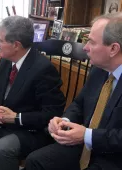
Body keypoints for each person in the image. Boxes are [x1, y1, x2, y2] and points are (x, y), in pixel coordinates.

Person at [0, 16, 66, 170]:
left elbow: (52, 113)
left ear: (16, 45)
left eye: (1, 40)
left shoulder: (43, 70)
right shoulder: (6, 60)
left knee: (2, 148)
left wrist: (16, 118)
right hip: (2, 125)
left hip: (29, 131)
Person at [25, 13, 122, 170]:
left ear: (113, 49)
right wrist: (65, 122)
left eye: (91, 42)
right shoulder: (98, 70)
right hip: (85, 146)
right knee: (36, 161)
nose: (85, 48)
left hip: (114, 156)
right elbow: (79, 103)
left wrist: (87, 135)